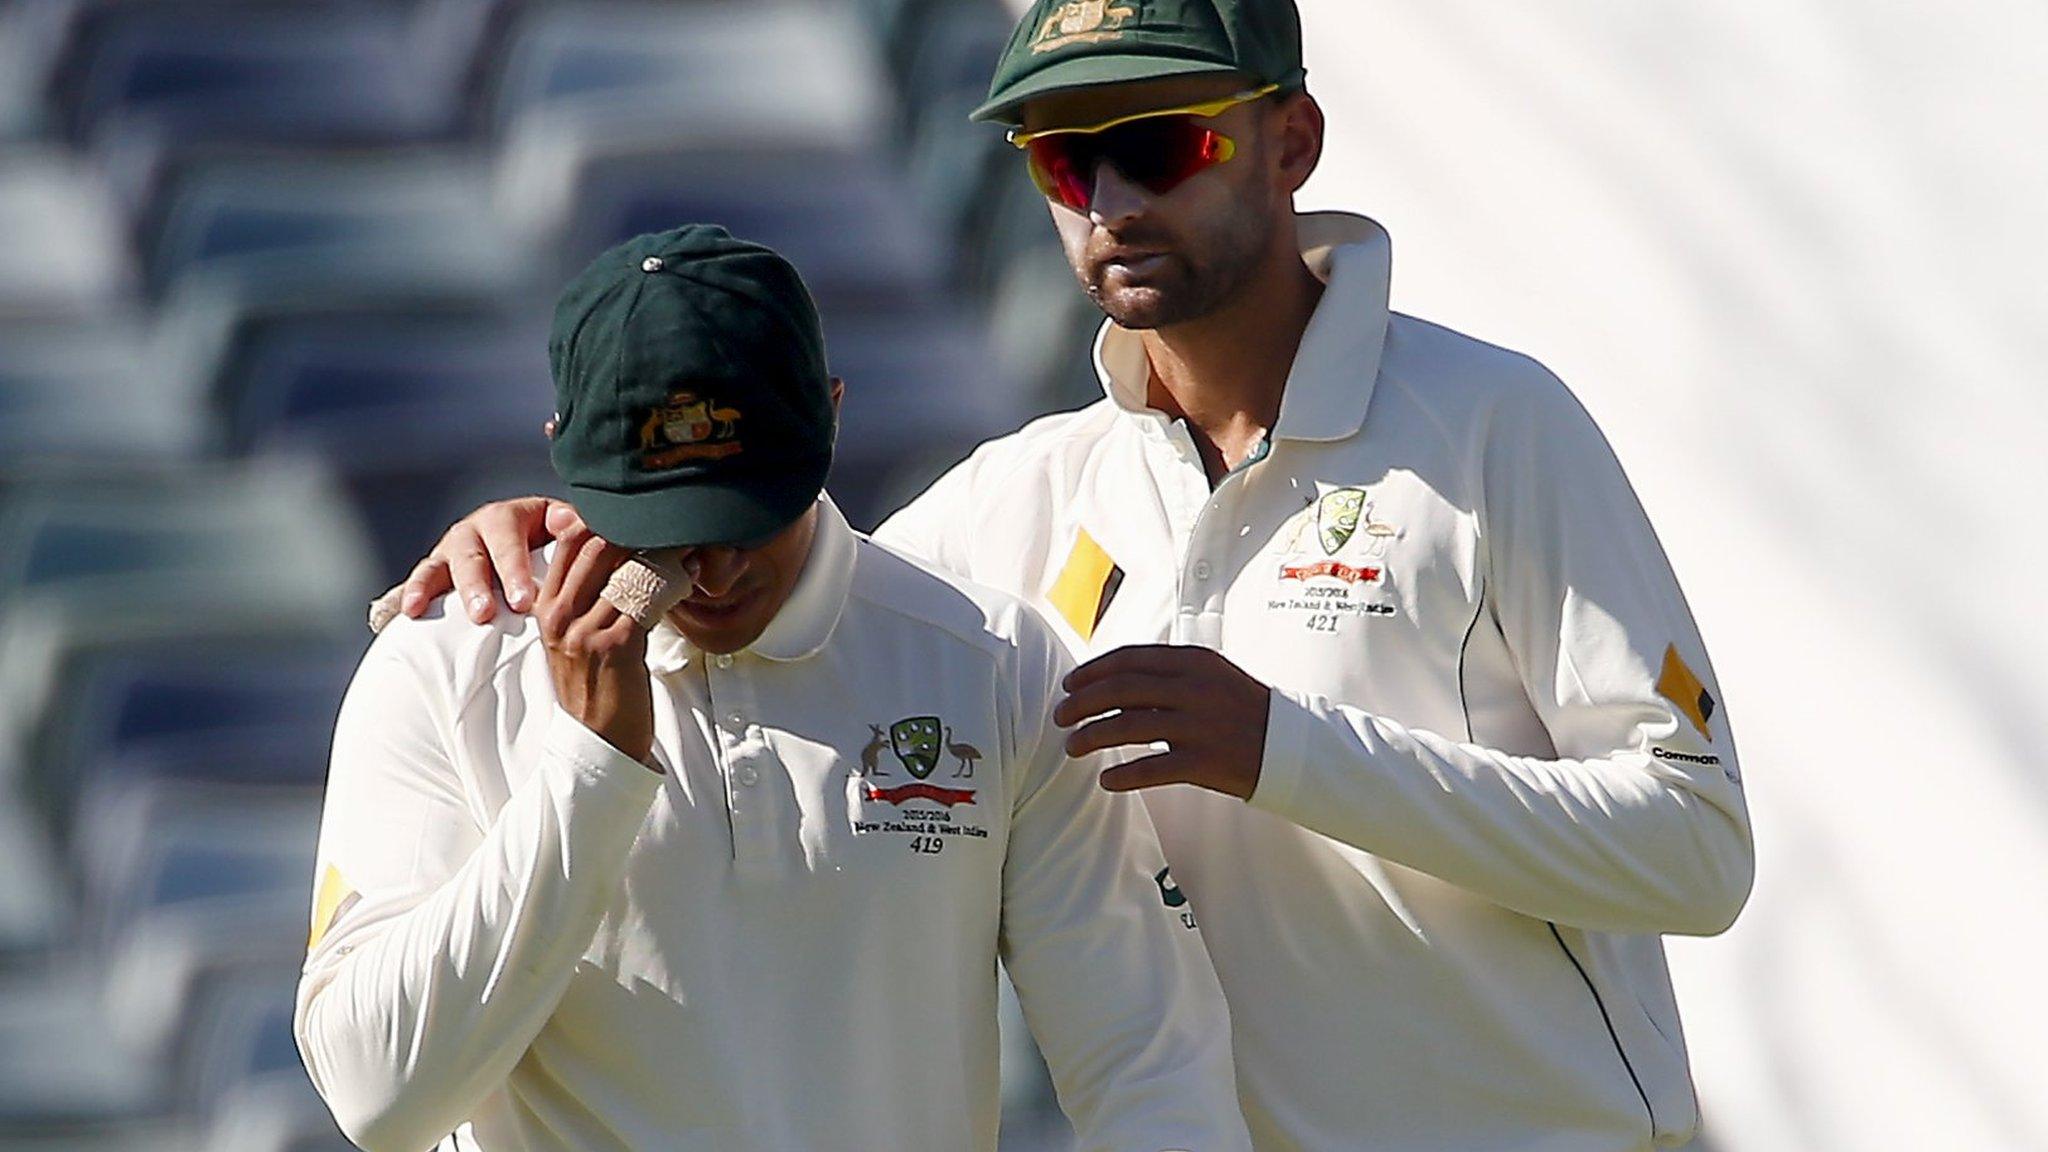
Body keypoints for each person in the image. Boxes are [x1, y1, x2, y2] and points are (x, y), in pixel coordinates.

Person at [387, 3, 1757, 1149]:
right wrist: (571, 523)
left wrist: (1287, 749)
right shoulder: (1022, 503)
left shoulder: (1495, 424)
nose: (1109, 201)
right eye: (1062, 163)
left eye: (1162, 144)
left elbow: (1696, 852)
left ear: (1294, 142)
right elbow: (772, 576)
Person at [298, 225, 1253, 1152]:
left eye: (748, 514)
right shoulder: (445, 666)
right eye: (664, 523)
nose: (711, 572)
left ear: (833, 414)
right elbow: (380, 1100)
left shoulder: (992, 663)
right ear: (565, 455)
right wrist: (591, 768)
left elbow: (1145, 1060)